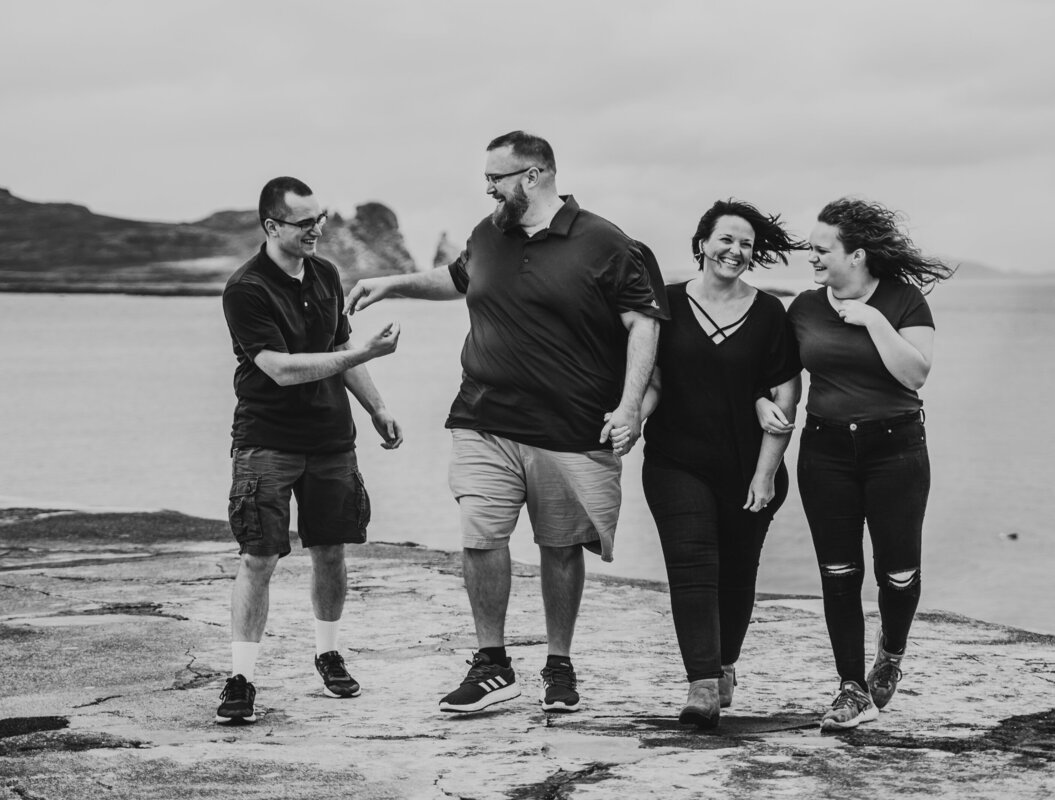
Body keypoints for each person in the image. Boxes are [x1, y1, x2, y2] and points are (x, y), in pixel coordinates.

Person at [345, 131, 666, 714]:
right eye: (486, 178)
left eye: (498, 177)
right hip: (483, 417)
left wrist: (628, 407)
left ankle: (559, 665)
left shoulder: (604, 241)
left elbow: (643, 324)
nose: (489, 187)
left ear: (535, 175)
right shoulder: (487, 232)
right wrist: (392, 284)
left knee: (561, 546)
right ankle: (492, 664)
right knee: (480, 537)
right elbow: (459, 278)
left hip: (569, 427)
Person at [758, 197, 954, 732]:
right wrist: (761, 400)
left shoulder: (902, 301)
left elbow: (914, 374)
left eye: (822, 251)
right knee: (839, 572)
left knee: (897, 570)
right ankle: (850, 687)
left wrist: (871, 320)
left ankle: (890, 652)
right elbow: (779, 377)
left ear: (857, 255)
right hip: (825, 453)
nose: (813, 260)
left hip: (896, 452)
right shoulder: (804, 307)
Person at [216, 176, 403, 725]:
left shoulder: (325, 273)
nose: (317, 230)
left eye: (319, 218)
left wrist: (377, 407)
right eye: (304, 223)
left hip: (330, 441)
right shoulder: (245, 288)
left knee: (331, 550)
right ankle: (242, 678)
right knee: (259, 557)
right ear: (272, 226)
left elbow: (341, 345)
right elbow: (278, 368)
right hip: (266, 441)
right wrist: (363, 353)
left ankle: (328, 652)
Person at [633, 200, 803, 728]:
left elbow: (784, 399)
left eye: (746, 244)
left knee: (737, 573)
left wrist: (764, 474)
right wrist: (631, 420)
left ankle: (725, 663)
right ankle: (702, 683)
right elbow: (653, 377)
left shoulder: (770, 312)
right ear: (703, 242)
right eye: (726, 239)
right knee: (692, 566)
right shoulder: (665, 304)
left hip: (749, 464)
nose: (735, 251)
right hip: (675, 460)